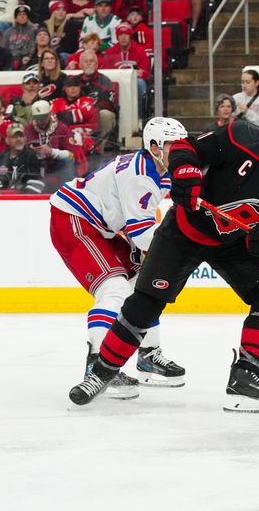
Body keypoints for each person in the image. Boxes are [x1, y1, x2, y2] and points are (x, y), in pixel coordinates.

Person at [67, 105, 259, 410]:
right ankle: (101, 373)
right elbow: (186, 148)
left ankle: (245, 376)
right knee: (145, 303)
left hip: (234, 244)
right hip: (183, 232)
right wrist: (185, 174)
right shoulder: (241, 135)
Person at [52, 117, 188, 401]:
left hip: (101, 225)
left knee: (145, 280)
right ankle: (98, 366)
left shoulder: (160, 166)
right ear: (154, 146)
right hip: (74, 220)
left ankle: (148, 355)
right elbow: (140, 234)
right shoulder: (141, 175)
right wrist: (180, 249)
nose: (179, 151)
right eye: (172, 146)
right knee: (114, 290)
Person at [102, 21, 150, 116]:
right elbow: (106, 73)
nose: (123, 37)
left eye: (126, 34)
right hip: (116, 83)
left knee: (140, 83)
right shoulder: (110, 52)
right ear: (117, 37)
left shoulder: (139, 50)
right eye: (120, 35)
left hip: (134, 82)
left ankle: (139, 117)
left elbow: (146, 73)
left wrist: (141, 74)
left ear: (130, 36)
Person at [0, 122, 44, 193]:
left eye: (21, 136)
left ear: (25, 138)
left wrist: (19, 198)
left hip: (26, 199)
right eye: (14, 136)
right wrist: (4, 197)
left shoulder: (32, 156)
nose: (19, 139)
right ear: (7, 140)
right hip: (2, 199)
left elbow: (35, 184)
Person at [79, 50, 117, 143]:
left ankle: (99, 148)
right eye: (85, 61)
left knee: (106, 115)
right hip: (78, 113)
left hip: (97, 113)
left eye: (91, 61)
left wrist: (90, 110)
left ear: (96, 64)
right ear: (80, 65)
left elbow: (109, 103)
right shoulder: (74, 81)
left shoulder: (105, 81)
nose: (88, 64)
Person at [0, 3, 36, 70]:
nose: (22, 16)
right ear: (15, 18)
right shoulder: (8, 32)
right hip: (11, 60)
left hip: (27, 59)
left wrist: (28, 57)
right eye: (19, 15)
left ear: (28, 17)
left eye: (24, 14)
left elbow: (33, 47)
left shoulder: (33, 30)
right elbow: (3, 47)